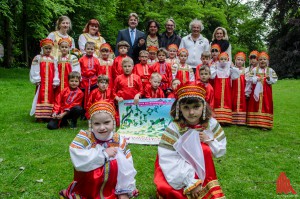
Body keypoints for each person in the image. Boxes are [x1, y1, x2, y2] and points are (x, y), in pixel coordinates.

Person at [154, 82, 226, 199]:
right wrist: (191, 182)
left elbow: (220, 149)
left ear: (203, 106)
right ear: (179, 108)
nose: (191, 113)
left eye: (196, 107)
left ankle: (204, 184)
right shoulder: (174, 128)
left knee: (204, 148)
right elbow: (168, 158)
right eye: (186, 108)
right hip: (176, 171)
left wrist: (210, 141)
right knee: (168, 190)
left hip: (204, 171)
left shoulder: (210, 124)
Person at [59, 101, 138, 199]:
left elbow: (127, 164)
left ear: (113, 121)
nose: (102, 127)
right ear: (91, 124)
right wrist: (103, 154)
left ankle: (121, 191)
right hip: (90, 183)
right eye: (97, 123)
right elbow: (78, 158)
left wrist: (125, 187)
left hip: (113, 182)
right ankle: (90, 193)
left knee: (120, 161)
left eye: (106, 122)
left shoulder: (118, 138)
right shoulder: (85, 137)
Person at [30, 38, 59, 121]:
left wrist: (55, 80)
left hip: (50, 82)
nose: (48, 50)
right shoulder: (38, 58)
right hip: (42, 82)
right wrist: (37, 79)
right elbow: (35, 68)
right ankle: (40, 115)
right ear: (42, 48)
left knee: (50, 97)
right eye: (46, 48)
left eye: (50, 48)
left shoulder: (53, 59)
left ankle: (48, 115)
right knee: (40, 96)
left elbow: (56, 70)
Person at [247, 52, 278, 129]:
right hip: (256, 91)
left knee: (266, 105)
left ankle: (264, 124)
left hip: (266, 92)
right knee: (255, 104)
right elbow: (249, 78)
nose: (262, 61)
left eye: (264, 59)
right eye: (260, 59)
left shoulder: (270, 70)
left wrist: (268, 79)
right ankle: (254, 122)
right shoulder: (254, 69)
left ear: (267, 61)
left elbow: (275, 79)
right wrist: (257, 78)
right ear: (258, 61)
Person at [210, 52, 240, 125]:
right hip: (217, 88)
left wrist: (232, 66)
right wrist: (214, 66)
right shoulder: (216, 67)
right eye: (221, 59)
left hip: (227, 90)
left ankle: (226, 120)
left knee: (227, 101)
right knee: (217, 101)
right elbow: (211, 76)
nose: (223, 61)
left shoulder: (229, 69)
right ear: (218, 60)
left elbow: (235, 76)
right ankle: (217, 119)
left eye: (225, 59)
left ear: (228, 60)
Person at [79, 42, 101, 111]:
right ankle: (83, 111)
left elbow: (98, 71)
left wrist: (98, 80)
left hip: (93, 81)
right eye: (88, 49)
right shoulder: (81, 59)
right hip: (84, 81)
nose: (90, 50)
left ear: (94, 50)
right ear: (85, 49)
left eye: (91, 49)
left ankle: (92, 109)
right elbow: (79, 70)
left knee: (93, 95)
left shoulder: (96, 60)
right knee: (83, 96)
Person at [232, 52, 248, 125]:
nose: (240, 61)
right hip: (234, 90)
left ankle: (241, 120)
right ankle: (233, 119)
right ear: (235, 60)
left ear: (244, 61)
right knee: (233, 102)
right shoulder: (233, 69)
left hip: (242, 90)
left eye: (241, 60)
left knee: (242, 102)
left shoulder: (246, 70)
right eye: (238, 59)